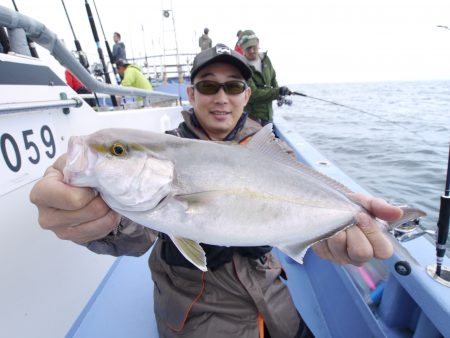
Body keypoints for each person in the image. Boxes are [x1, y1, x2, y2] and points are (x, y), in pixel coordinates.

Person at [30, 43, 401, 338]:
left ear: (246, 94)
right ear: (191, 93)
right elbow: (137, 234)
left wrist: (333, 229)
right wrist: (103, 221)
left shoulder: (272, 150)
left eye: (233, 86)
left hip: (276, 304)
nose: (220, 97)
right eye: (208, 85)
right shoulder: (169, 146)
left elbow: (304, 205)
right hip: (198, 317)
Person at [240, 30, 291, 126]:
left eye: (253, 46)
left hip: (268, 116)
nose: (251, 50)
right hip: (251, 119)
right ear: (242, 49)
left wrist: (280, 93)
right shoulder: (241, 67)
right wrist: (277, 92)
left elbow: (273, 79)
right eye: (248, 48)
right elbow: (253, 95)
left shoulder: (266, 59)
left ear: (258, 43)